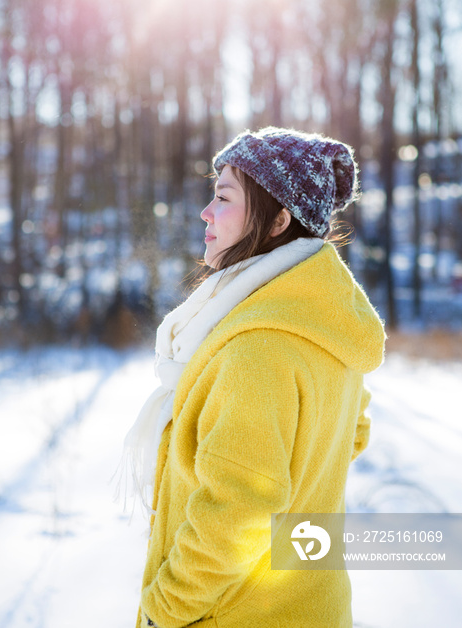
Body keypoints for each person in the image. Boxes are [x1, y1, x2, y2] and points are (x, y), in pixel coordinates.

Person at [127, 127, 385, 628]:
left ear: (278, 220)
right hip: (308, 604)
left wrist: (164, 610)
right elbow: (351, 432)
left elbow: (237, 514)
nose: (206, 212)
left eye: (223, 197)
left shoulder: (257, 348)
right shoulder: (319, 323)